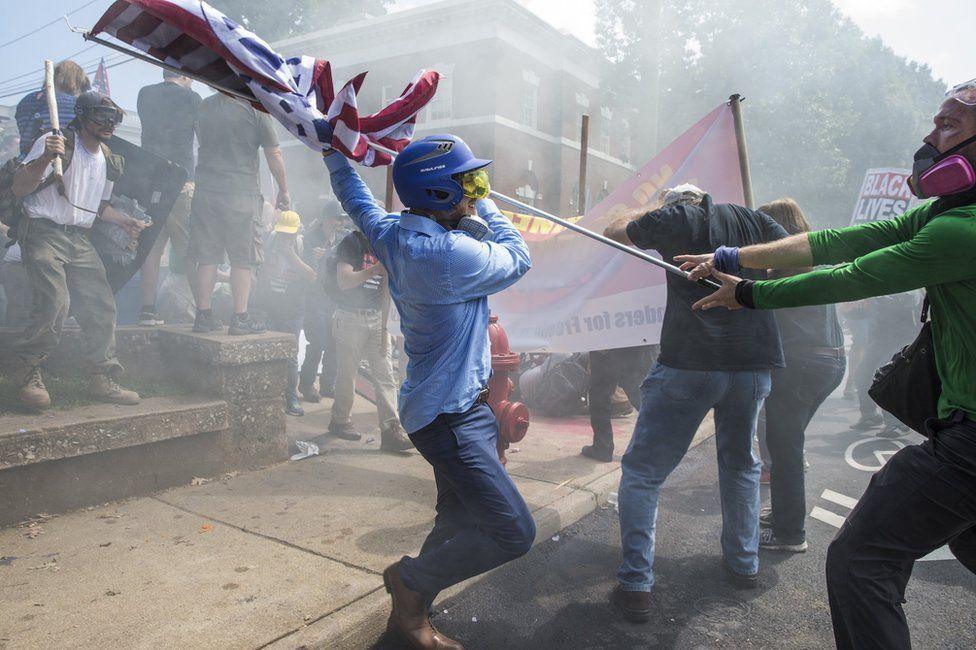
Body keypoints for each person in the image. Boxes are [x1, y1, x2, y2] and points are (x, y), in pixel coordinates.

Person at [676, 79, 976, 650]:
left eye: (949, 126)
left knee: (862, 558)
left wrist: (749, 293)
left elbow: (852, 274)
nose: (929, 138)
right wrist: (730, 256)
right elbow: (840, 241)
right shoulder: (950, 213)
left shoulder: (963, 230)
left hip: (972, 440)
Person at [324, 134, 533, 650]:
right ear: (440, 197)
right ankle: (409, 583)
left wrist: (334, 152)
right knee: (513, 532)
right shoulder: (449, 255)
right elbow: (519, 256)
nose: (476, 191)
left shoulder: (393, 233)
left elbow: (358, 201)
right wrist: (487, 205)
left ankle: (409, 620)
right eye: (468, 183)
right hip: (451, 419)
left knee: (458, 517)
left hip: (449, 407)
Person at [601, 183, 788, 622]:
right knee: (742, 465)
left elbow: (614, 230)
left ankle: (636, 584)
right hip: (753, 363)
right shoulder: (754, 218)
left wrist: (662, 209)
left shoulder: (677, 217)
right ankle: (744, 565)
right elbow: (786, 255)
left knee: (644, 473)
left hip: (691, 362)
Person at [11, 91, 146, 410]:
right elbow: (19, 187)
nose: (109, 124)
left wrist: (123, 221)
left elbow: (96, 206)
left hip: (79, 238)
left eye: (114, 119)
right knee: (55, 301)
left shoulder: (108, 158)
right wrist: (45, 157)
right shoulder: (56, 141)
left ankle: (101, 376)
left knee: (101, 304)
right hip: (44, 231)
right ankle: (30, 372)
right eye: (102, 117)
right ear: (82, 116)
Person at [752, 198, 846, 553]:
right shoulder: (815, 254)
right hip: (831, 363)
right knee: (787, 443)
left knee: (785, 447)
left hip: (801, 365)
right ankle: (782, 514)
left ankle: (790, 532)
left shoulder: (784, 264)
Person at [189, 93, 290, 335]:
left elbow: (201, 138)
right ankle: (240, 317)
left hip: (206, 192)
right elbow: (274, 153)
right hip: (241, 193)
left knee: (207, 256)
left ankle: (203, 315)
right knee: (242, 258)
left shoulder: (205, 106)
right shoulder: (256, 109)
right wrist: (284, 190)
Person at [326, 228, 412, 451]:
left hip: (376, 319)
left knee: (385, 374)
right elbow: (344, 281)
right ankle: (340, 420)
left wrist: (387, 326)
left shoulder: (384, 245)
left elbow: (390, 286)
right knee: (347, 373)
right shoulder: (351, 243)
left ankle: (391, 428)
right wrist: (374, 269)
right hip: (350, 316)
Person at [136, 71, 203, 326]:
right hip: (180, 179)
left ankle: (147, 311)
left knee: (152, 248)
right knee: (189, 249)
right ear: (185, 76)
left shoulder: (144, 94)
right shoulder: (193, 98)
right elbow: (201, 137)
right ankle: (202, 311)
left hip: (150, 178)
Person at [255, 210, 316, 416]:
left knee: (290, 356)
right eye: (283, 234)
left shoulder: (302, 245)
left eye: (289, 234)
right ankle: (265, 395)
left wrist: (291, 256)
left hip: (293, 310)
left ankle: (290, 395)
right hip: (268, 306)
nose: (286, 238)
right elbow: (255, 268)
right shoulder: (267, 241)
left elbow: (312, 275)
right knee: (265, 352)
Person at [297, 201, 347, 402]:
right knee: (317, 342)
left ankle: (328, 385)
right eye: (337, 219)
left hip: (334, 299)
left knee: (334, 343)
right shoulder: (310, 239)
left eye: (342, 219)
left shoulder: (342, 239)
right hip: (314, 298)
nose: (340, 223)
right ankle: (307, 384)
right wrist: (322, 256)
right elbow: (311, 272)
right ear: (326, 219)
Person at [582, 345, 655, 462]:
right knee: (637, 390)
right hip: (634, 341)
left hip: (608, 342)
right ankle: (660, 440)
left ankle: (602, 446)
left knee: (600, 392)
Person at [15, 60, 90, 158]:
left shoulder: (26, 101)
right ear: (77, 83)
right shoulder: (76, 105)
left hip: (25, 162)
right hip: (60, 163)